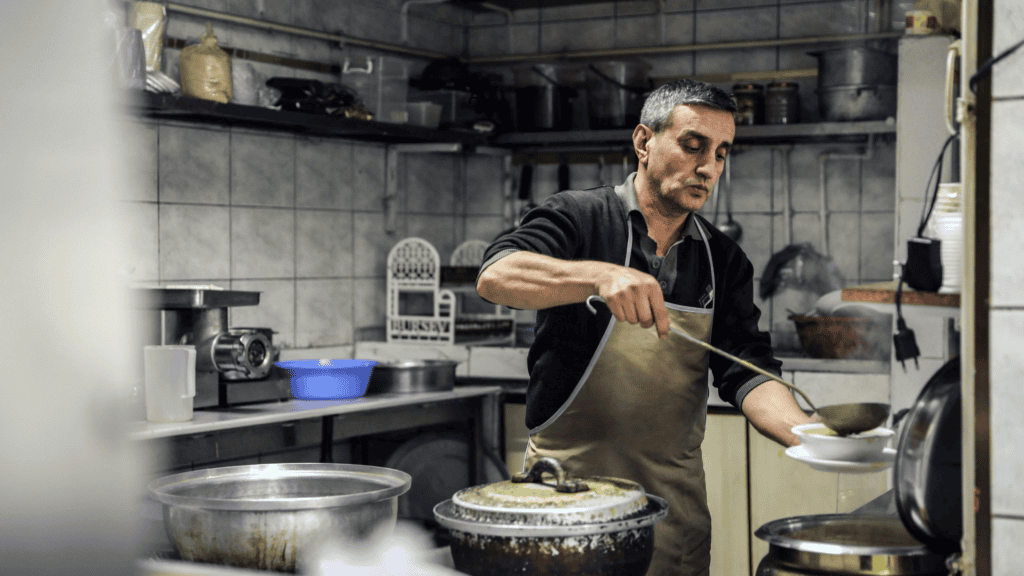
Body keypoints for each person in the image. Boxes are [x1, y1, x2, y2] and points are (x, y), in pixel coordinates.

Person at [476, 79, 814, 576]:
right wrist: (599, 276)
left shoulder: (724, 260)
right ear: (643, 142)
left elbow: (747, 369)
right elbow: (496, 275)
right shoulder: (579, 217)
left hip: (672, 517)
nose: (708, 167)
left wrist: (809, 435)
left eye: (721, 154)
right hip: (565, 504)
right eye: (693, 145)